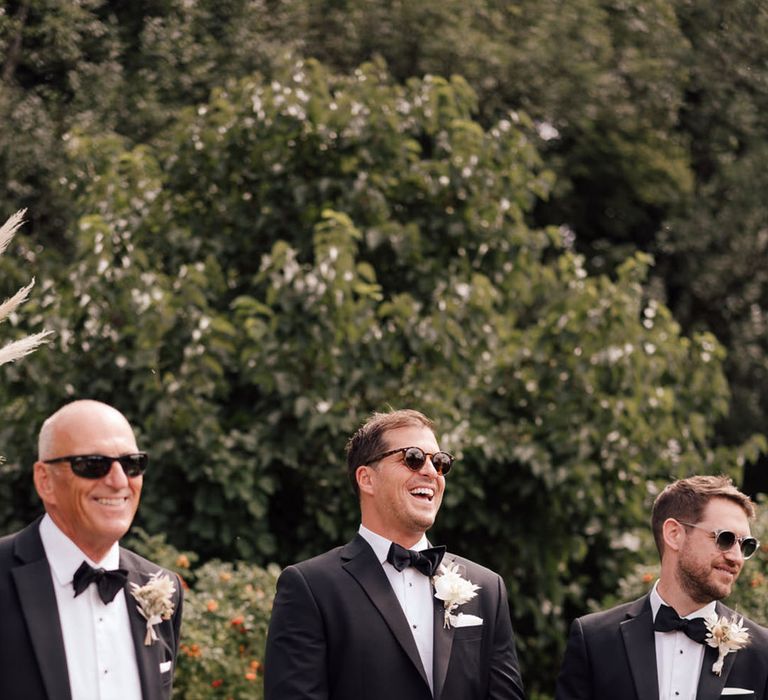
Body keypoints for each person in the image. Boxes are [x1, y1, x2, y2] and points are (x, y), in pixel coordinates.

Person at [264, 408, 525, 700]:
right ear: (366, 478)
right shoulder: (311, 588)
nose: (430, 472)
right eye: (413, 458)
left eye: (439, 463)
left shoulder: (487, 588)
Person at [0, 399, 183, 700]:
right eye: (93, 465)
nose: (119, 481)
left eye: (131, 464)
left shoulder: (162, 586)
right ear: (44, 481)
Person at [555, 474, 768, 700]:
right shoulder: (594, 640)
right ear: (674, 534)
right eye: (725, 539)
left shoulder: (762, 650)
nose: (736, 557)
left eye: (746, 545)